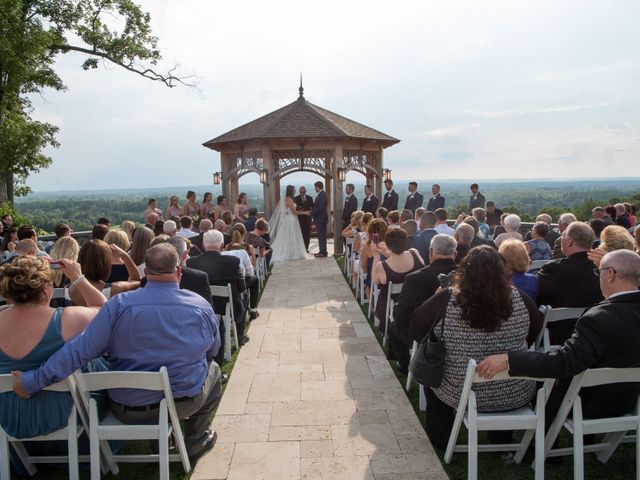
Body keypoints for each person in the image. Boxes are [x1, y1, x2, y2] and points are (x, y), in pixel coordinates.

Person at [13, 244, 222, 461]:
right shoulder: (200, 306)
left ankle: (162, 441)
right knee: (213, 369)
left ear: (146, 273)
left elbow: (79, 350)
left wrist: (34, 380)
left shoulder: (119, 306)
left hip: (128, 407)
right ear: (178, 272)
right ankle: (196, 440)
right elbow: (212, 351)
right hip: (182, 404)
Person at [477, 249, 640, 432]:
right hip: (629, 400)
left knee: (537, 385)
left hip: (586, 403)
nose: (597, 277)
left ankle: (538, 443)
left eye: (598, 272)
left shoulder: (598, 318)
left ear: (610, 274)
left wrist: (509, 360)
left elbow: (564, 363)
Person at [409, 246, 541, 449]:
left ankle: (440, 440)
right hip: (514, 387)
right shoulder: (520, 298)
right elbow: (535, 332)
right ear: (502, 270)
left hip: (459, 388)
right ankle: (500, 439)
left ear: (465, 269)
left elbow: (417, 327)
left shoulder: (448, 297)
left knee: (432, 383)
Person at [0, 256, 106, 469]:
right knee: (96, 362)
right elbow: (106, 309)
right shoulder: (69, 318)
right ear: (47, 288)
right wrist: (78, 278)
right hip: (64, 416)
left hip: (9, 419)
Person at [387, 234, 457, 372]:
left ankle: (405, 365)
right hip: (456, 329)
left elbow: (400, 316)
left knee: (394, 327)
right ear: (455, 253)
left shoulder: (415, 278)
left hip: (425, 332)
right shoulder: (466, 275)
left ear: (430, 252)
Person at [537, 222, 603, 345]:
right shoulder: (602, 270)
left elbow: (537, 298)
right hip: (594, 335)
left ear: (569, 241)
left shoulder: (553, 269)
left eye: (562, 236)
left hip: (557, 338)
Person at [187, 230, 249, 345]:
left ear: (203, 245)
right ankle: (240, 335)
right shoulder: (233, 261)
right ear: (221, 245)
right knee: (244, 295)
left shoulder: (191, 263)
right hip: (228, 306)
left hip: (201, 306)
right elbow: (241, 287)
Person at [370, 228, 423, 333]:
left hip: (393, 304)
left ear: (388, 245)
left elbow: (374, 281)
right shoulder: (414, 253)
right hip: (415, 300)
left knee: (382, 295)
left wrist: (376, 255)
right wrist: (386, 253)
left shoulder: (382, 266)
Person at [70, 239, 139, 306]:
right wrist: (124, 255)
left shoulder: (68, 289)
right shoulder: (114, 289)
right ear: (105, 264)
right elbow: (136, 280)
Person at [268, 185, 309, 262]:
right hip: (291, 219)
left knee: (292, 236)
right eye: (294, 190)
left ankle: (293, 252)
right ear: (291, 191)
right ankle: (289, 253)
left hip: (292, 219)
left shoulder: (288, 199)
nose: (295, 191)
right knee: (290, 236)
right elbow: (294, 212)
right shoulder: (289, 199)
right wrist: (305, 212)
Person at [312, 181, 329, 258]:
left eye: (315, 187)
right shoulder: (322, 194)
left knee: (321, 236)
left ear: (318, 187)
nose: (314, 189)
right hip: (321, 219)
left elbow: (321, 208)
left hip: (321, 219)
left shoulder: (321, 195)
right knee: (321, 236)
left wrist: (312, 213)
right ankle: (322, 251)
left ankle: (323, 252)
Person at [295, 186, 314, 252]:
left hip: (308, 219)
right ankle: (301, 248)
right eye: (301, 192)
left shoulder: (310, 198)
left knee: (307, 234)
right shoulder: (296, 198)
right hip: (299, 219)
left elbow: (313, 207)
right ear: (299, 192)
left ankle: (306, 248)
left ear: (305, 192)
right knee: (301, 234)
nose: (302, 193)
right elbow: (294, 209)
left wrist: (311, 214)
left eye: (303, 192)